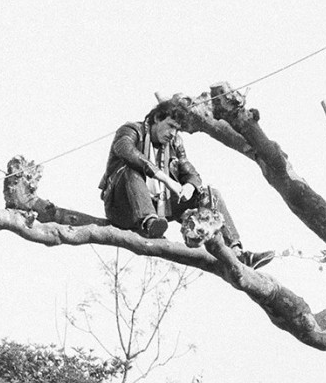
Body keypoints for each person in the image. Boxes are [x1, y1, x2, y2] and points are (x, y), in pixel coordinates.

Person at [98, 98, 273, 269]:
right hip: (122, 206)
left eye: (177, 129)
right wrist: (165, 178)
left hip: (160, 206)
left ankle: (237, 253)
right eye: (171, 126)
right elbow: (126, 150)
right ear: (158, 118)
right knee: (132, 169)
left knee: (211, 194)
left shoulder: (174, 142)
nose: (173, 133)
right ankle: (149, 223)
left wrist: (189, 186)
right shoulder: (131, 130)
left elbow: (190, 172)